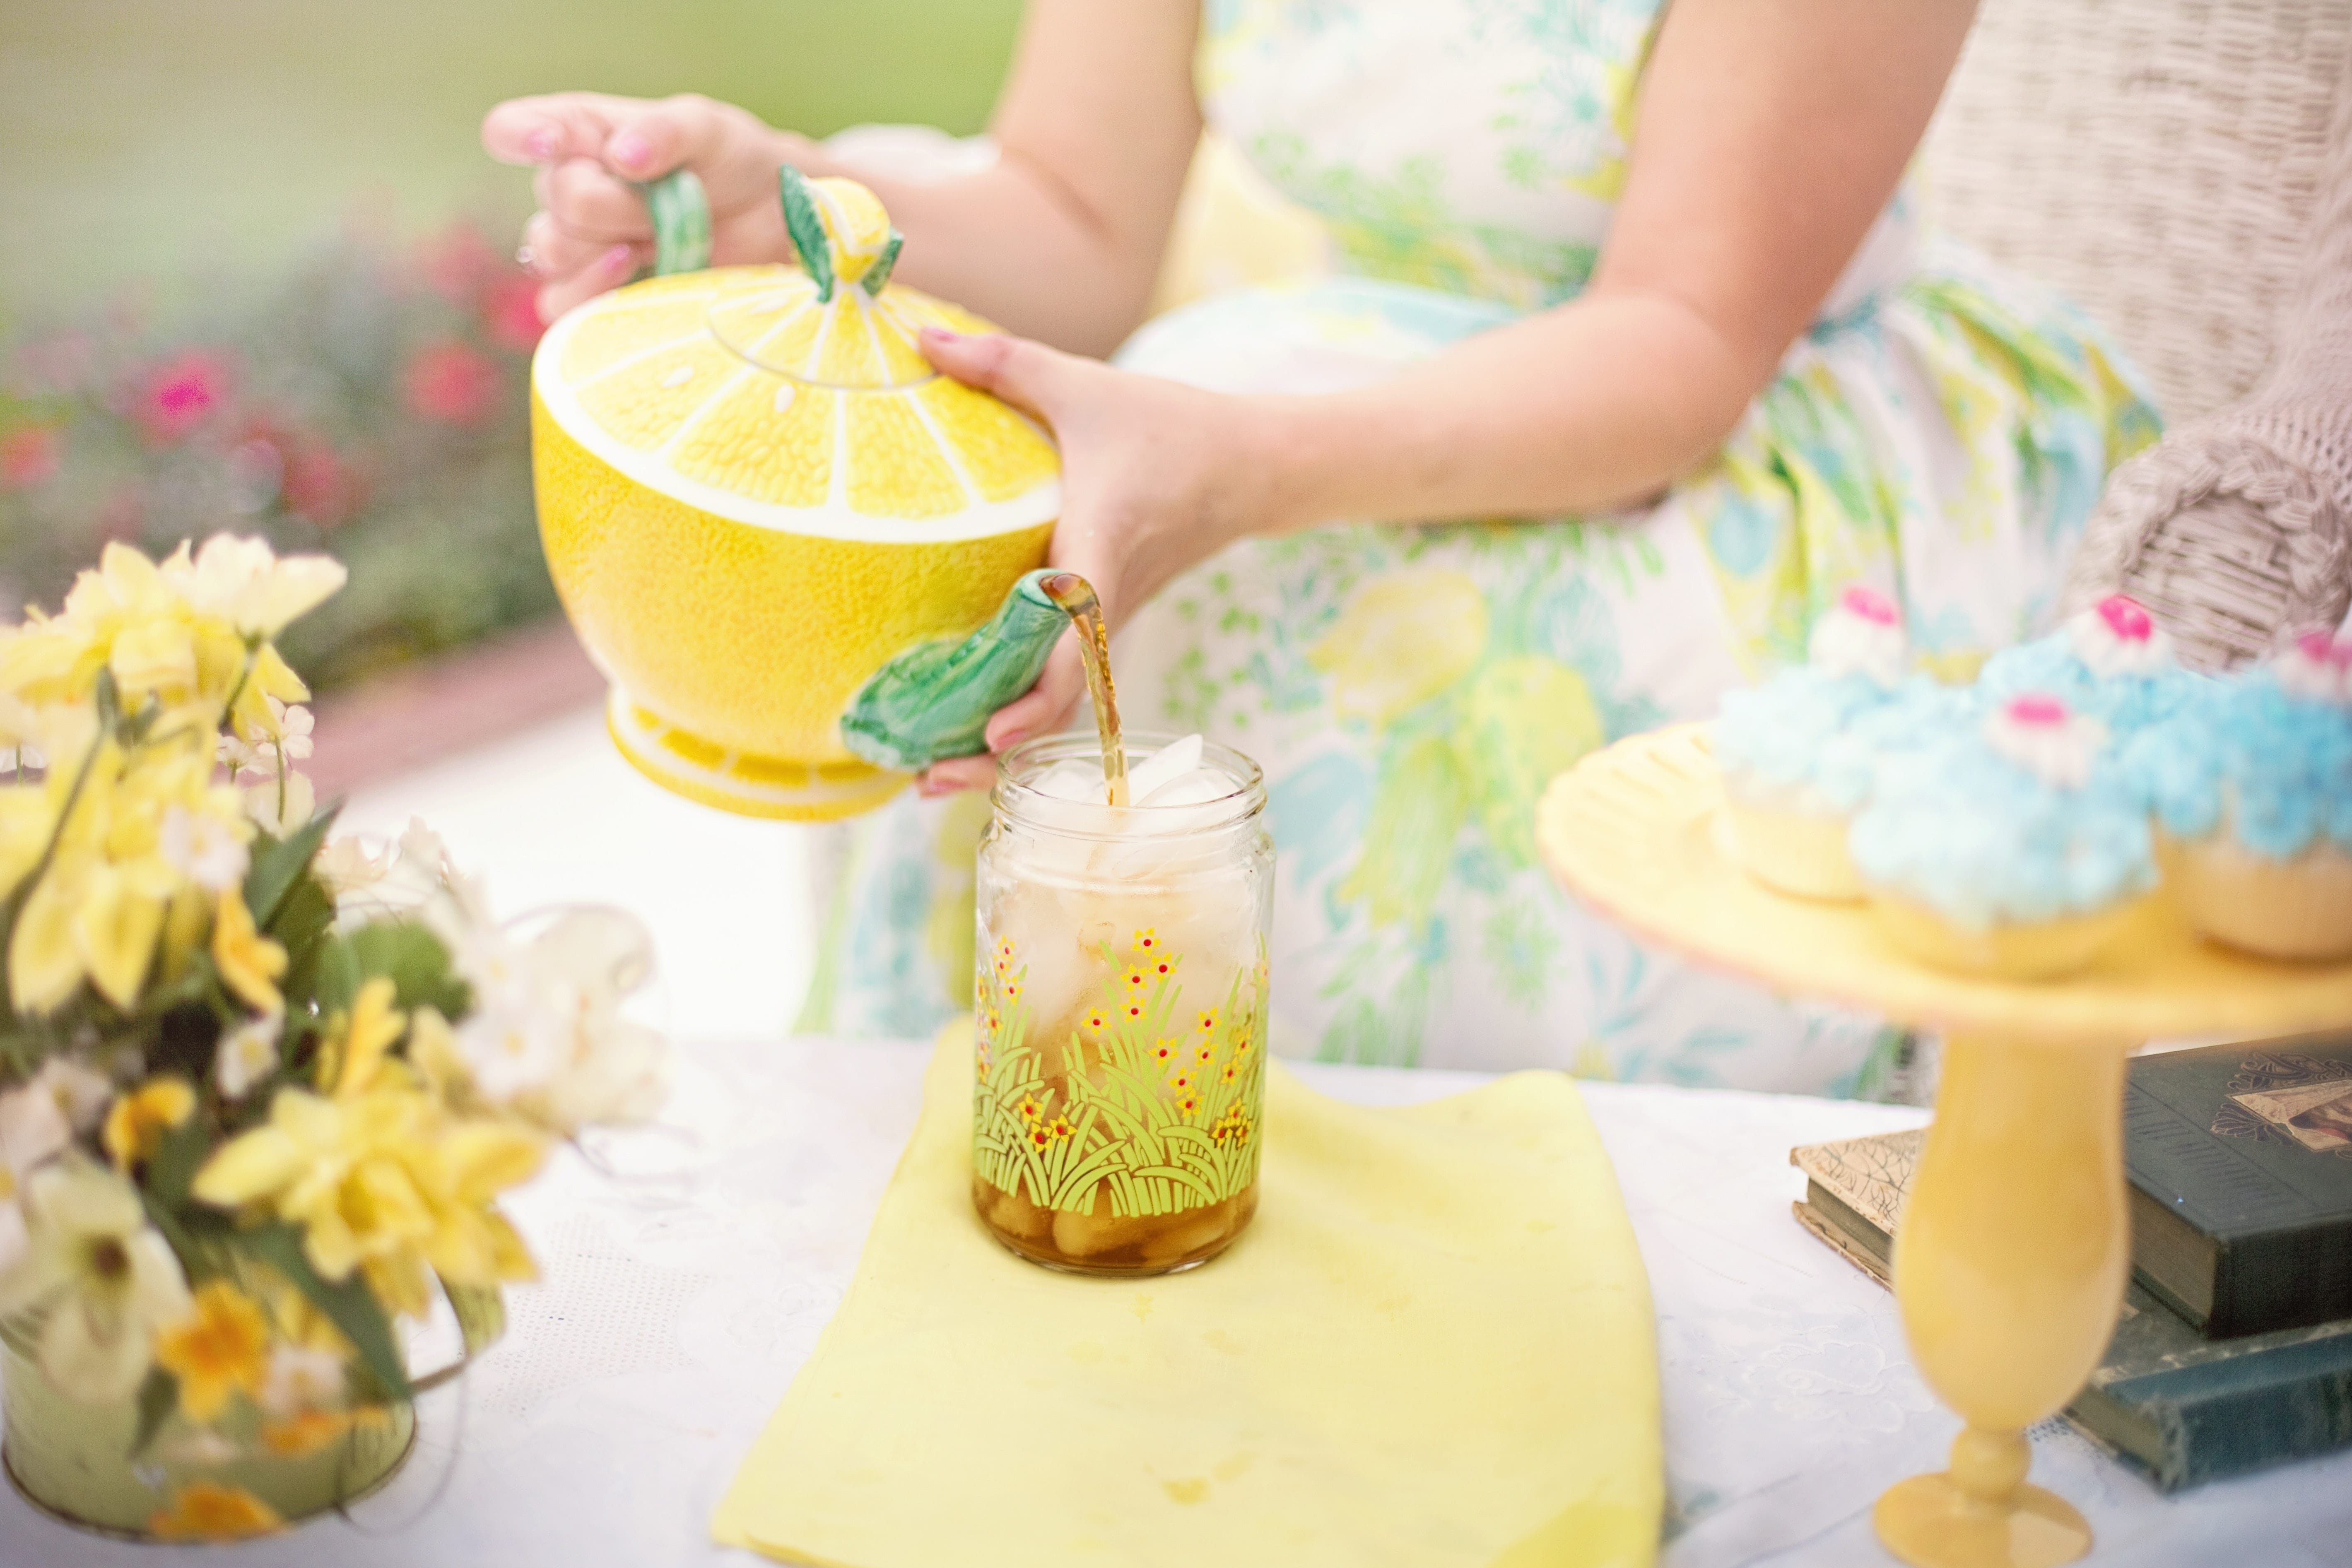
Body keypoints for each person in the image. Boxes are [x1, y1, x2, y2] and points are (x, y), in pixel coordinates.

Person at [485, 0, 2155, 1088]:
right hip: (1302, 399)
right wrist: (800, 191)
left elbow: (1677, 346)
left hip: (1721, 442)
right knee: (1113, 608)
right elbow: (1081, 216)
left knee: (1272, 655)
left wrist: (1230, 465)